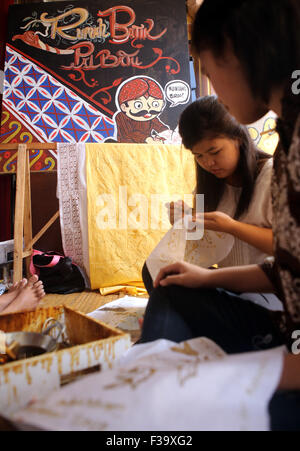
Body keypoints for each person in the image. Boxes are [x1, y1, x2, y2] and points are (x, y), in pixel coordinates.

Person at [140, 0, 300, 431]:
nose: (216, 88)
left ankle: (149, 387)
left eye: (210, 71)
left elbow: (281, 265)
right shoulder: (288, 137)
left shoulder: (279, 164)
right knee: (165, 276)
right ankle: (150, 378)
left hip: (273, 317)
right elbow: (284, 265)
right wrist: (196, 249)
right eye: (201, 156)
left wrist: (229, 379)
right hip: (258, 303)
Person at [142, 96, 279, 312]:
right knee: (160, 273)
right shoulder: (210, 184)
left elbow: (288, 248)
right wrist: (184, 220)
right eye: (198, 156)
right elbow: (206, 245)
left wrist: (231, 227)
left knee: (177, 307)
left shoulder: (272, 176)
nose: (208, 163)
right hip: (225, 284)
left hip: (268, 292)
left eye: (214, 152)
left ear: (238, 138)